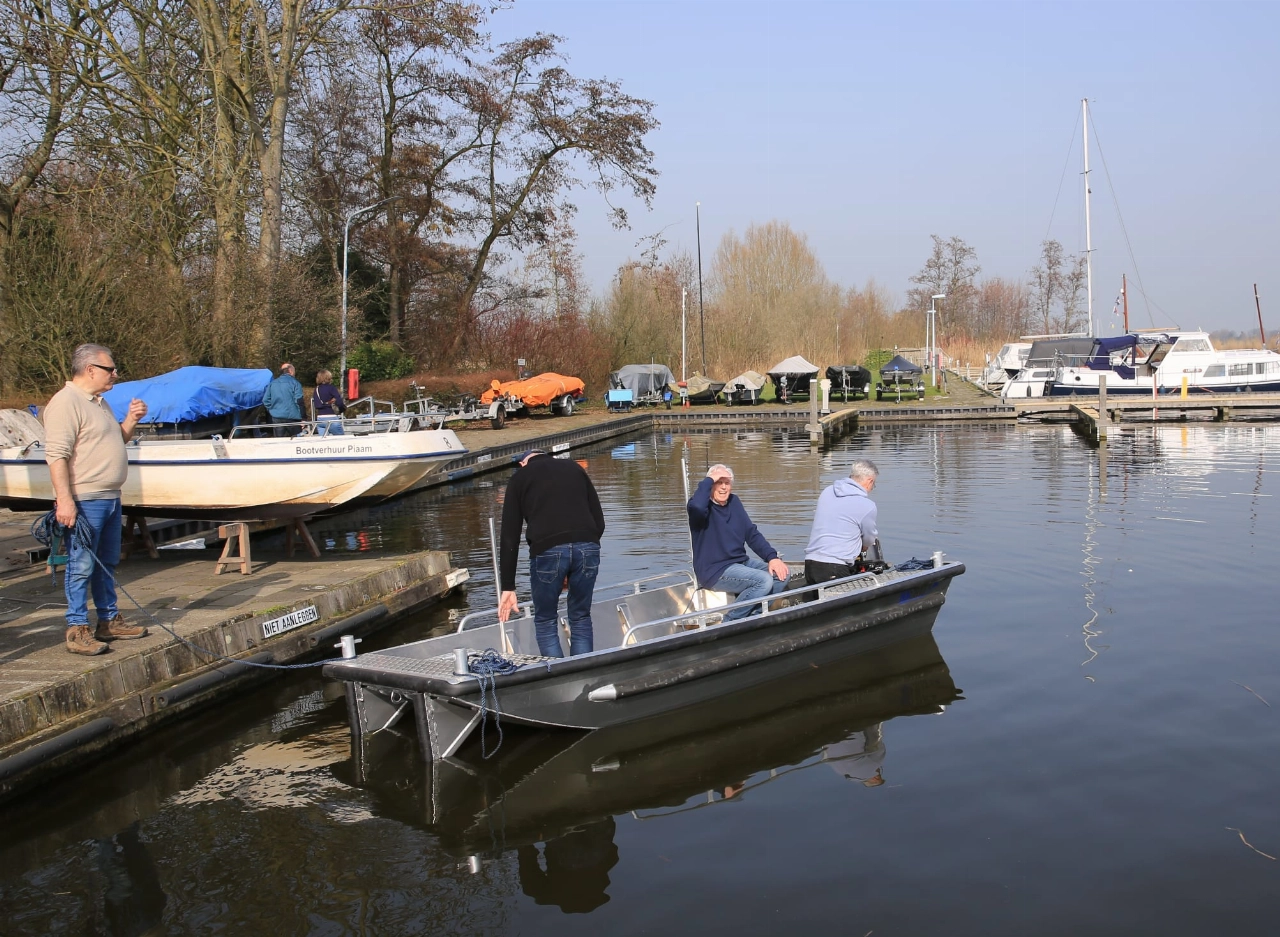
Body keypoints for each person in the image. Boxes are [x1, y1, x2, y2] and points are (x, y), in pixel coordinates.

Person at [44, 343, 150, 655]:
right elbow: (56, 456)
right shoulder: (66, 403)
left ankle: (108, 620)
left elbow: (117, 438)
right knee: (81, 564)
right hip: (85, 499)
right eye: (110, 369)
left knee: (107, 562)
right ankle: (77, 629)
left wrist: (131, 419)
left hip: (109, 497)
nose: (115, 374)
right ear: (90, 369)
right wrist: (64, 500)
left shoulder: (99, 402)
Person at [498, 450, 605, 657]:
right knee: (581, 617)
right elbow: (598, 521)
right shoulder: (574, 468)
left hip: (548, 550)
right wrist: (576, 556)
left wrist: (508, 586)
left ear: (523, 463)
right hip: (588, 547)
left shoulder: (520, 477)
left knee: (546, 621)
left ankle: (560, 677)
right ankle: (583, 676)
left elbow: (509, 536)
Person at [687, 463, 789, 621]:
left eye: (726, 483)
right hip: (714, 571)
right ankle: (731, 621)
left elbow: (751, 533)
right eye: (718, 482)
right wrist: (708, 479)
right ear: (710, 485)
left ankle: (754, 616)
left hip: (740, 563)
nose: (723, 488)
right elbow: (697, 507)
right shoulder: (700, 508)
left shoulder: (734, 502)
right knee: (763, 580)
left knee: (782, 573)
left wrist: (772, 557)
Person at [804, 458, 880, 585]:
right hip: (834, 568)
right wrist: (861, 546)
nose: (872, 488)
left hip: (810, 564)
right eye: (874, 485)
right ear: (870, 481)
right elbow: (868, 541)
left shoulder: (827, 491)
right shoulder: (867, 505)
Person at [260, 362, 303, 436]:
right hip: (293, 417)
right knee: (294, 442)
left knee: (279, 442)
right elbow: (299, 401)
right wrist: (303, 417)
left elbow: (265, 400)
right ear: (291, 371)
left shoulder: (273, 383)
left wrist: (272, 410)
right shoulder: (295, 383)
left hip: (277, 417)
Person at [313, 369, 345, 435]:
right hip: (331, 417)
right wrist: (341, 409)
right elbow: (339, 402)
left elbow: (317, 405)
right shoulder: (331, 388)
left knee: (324, 442)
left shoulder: (316, 389)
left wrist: (325, 404)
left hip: (320, 418)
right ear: (328, 378)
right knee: (342, 440)